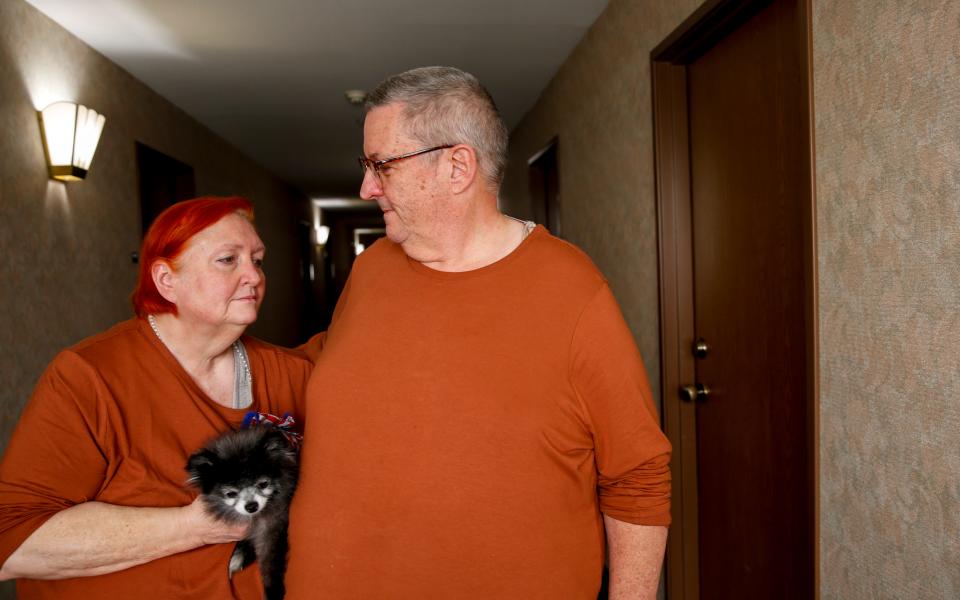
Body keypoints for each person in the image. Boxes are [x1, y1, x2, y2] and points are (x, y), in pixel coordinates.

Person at [286, 67, 671, 599]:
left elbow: (638, 476)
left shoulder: (573, 292)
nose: (366, 187)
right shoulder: (373, 267)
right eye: (366, 165)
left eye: (383, 165)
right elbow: (327, 366)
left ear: (457, 165)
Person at [0, 196, 312, 599]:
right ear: (167, 281)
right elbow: (10, 542)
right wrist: (193, 526)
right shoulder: (89, 376)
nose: (254, 275)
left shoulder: (292, 373)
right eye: (228, 260)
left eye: (257, 259)